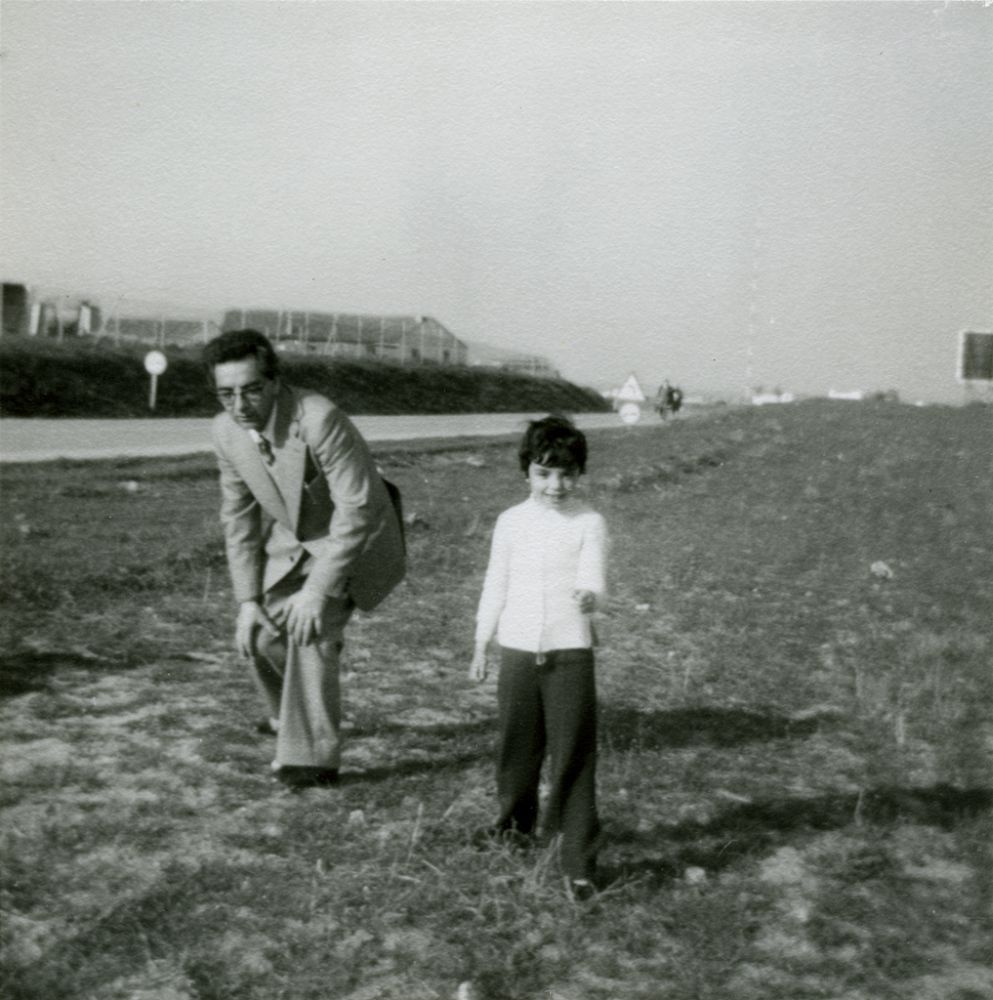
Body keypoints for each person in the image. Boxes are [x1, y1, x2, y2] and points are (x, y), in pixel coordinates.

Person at [205, 329, 405, 790]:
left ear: (275, 381)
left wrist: (317, 591)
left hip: (358, 538)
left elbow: (356, 510)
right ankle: (286, 720)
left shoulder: (319, 419)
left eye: (251, 389)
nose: (239, 405)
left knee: (309, 626)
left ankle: (312, 760)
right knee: (261, 635)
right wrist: (248, 601)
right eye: (226, 393)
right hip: (295, 544)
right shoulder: (224, 431)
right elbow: (238, 518)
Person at [469, 415, 608, 896]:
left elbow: (594, 576)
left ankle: (578, 863)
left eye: (567, 473)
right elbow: (495, 584)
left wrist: (590, 596)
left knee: (572, 753)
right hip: (517, 650)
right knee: (516, 747)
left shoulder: (589, 522)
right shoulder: (510, 522)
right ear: (526, 471)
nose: (556, 485)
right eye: (544, 472)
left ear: (580, 473)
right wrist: (481, 640)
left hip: (571, 652)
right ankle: (512, 828)